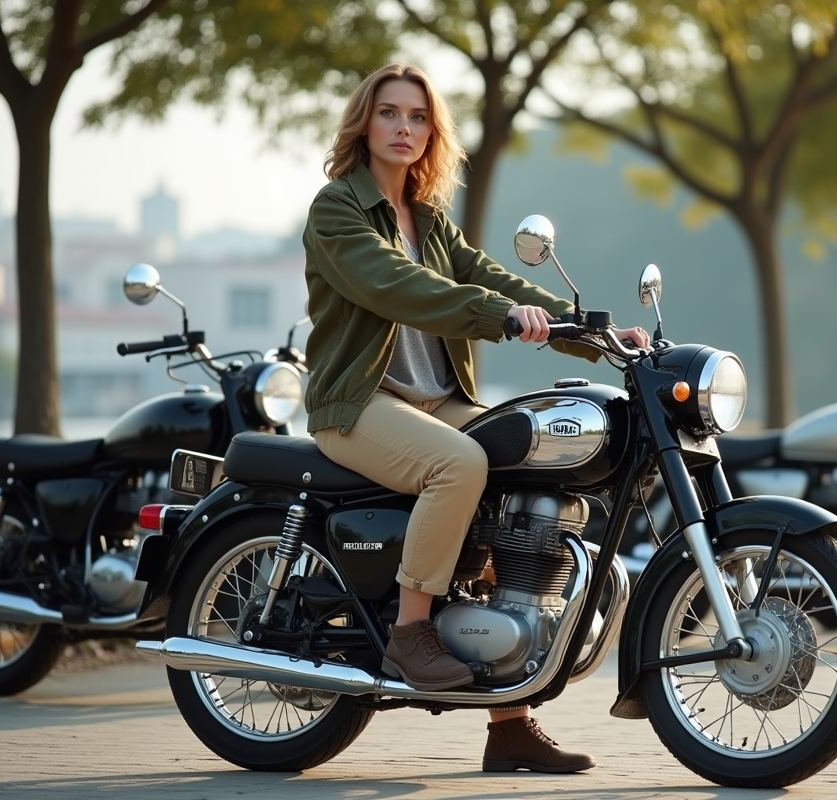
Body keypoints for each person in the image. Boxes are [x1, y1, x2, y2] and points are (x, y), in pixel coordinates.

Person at [301, 63, 649, 774]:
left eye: (418, 117)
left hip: (436, 400)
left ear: (434, 132)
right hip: (358, 403)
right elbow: (399, 289)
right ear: (364, 124)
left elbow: (492, 277)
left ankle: (509, 721)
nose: (404, 127)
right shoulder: (337, 210)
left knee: (527, 470)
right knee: (459, 464)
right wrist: (499, 319)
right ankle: (410, 633)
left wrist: (591, 331)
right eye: (390, 113)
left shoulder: (428, 221)